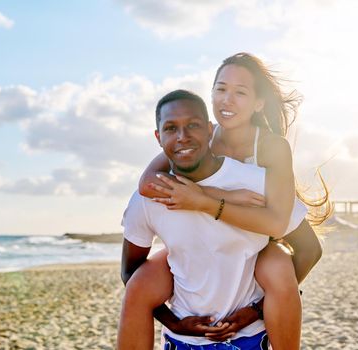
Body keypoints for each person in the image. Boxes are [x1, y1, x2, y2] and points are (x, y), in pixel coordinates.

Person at [121, 53, 331, 349]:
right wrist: (216, 196)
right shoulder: (202, 136)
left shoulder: (270, 147)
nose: (227, 100)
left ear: (258, 103)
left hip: (261, 234)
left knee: (279, 268)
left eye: (240, 92)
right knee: (140, 282)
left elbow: (280, 224)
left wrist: (259, 306)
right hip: (203, 239)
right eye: (220, 89)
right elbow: (147, 183)